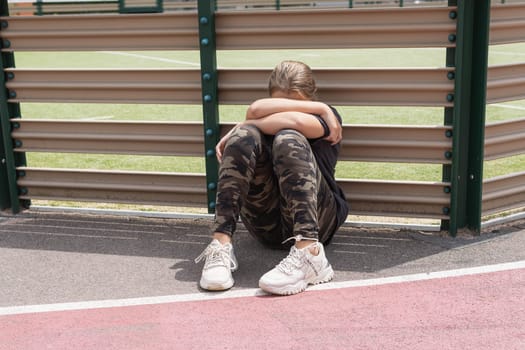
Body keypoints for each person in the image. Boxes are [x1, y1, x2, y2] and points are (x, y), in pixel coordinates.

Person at [194, 60, 349, 295]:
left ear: (312, 98)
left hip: (320, 221)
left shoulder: (327, 119)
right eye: (283, 104)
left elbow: (295, 122)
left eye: (300, 105)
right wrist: (246, 127)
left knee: (288, 138)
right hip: (267, 226)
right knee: (244, 137)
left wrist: (323, 109)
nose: (290, 110)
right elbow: (255, 108)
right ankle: (221, 245)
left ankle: (310, 254)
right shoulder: (262, 114)